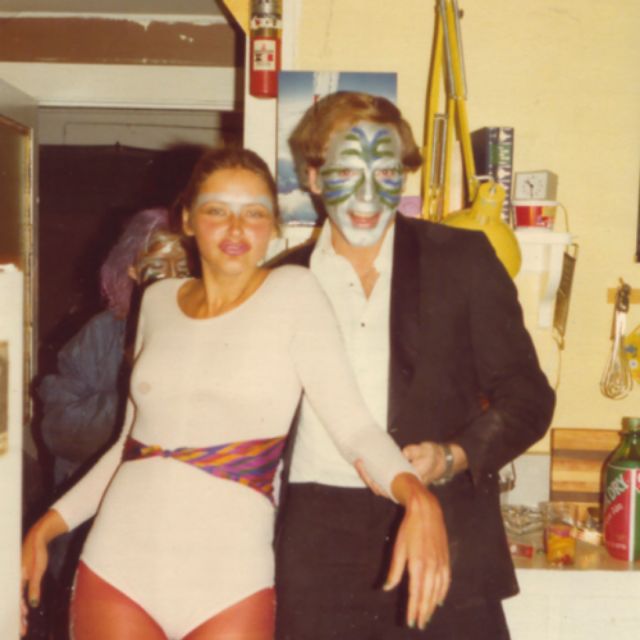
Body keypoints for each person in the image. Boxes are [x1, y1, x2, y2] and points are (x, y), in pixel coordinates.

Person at [21, 147, 449, 640]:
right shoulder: (157, 301)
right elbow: (128, 448)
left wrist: (417, 495)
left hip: (229, 585)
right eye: (217, 210)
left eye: (254, 214)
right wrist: (45, 528)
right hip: (117, 569)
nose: (236, 229)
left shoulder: (294, 294)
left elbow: (353, 426)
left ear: (273, 226)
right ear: (187, 219)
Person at [273, 91, 556, 640]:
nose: (367, 193)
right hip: (316, 544)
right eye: (345, 171)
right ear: (313, 177)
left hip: (440, 528)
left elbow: (528, 397)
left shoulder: (462, 259)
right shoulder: (281, 281)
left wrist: (453, 456)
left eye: (385, 171)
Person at [38, 208, 190, 490]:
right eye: (157, 267)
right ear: (133, 270)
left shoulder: (210, 332)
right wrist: (135, 391)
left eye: (182, 269)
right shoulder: (101, 333)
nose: (170, 279)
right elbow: (58, 431)